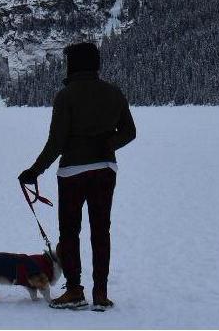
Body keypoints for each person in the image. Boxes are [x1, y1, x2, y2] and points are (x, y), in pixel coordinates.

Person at [18, 42, 135, 312]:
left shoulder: (66, 95)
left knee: (70, 231)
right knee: (100, 230)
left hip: (72, 172)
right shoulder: (114, 92)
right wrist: (109, 145)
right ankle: (101, 294)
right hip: (105, 169)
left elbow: (56, 142)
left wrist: (34, 171)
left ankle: (74, 290)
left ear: (74, 65)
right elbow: (130, 132)